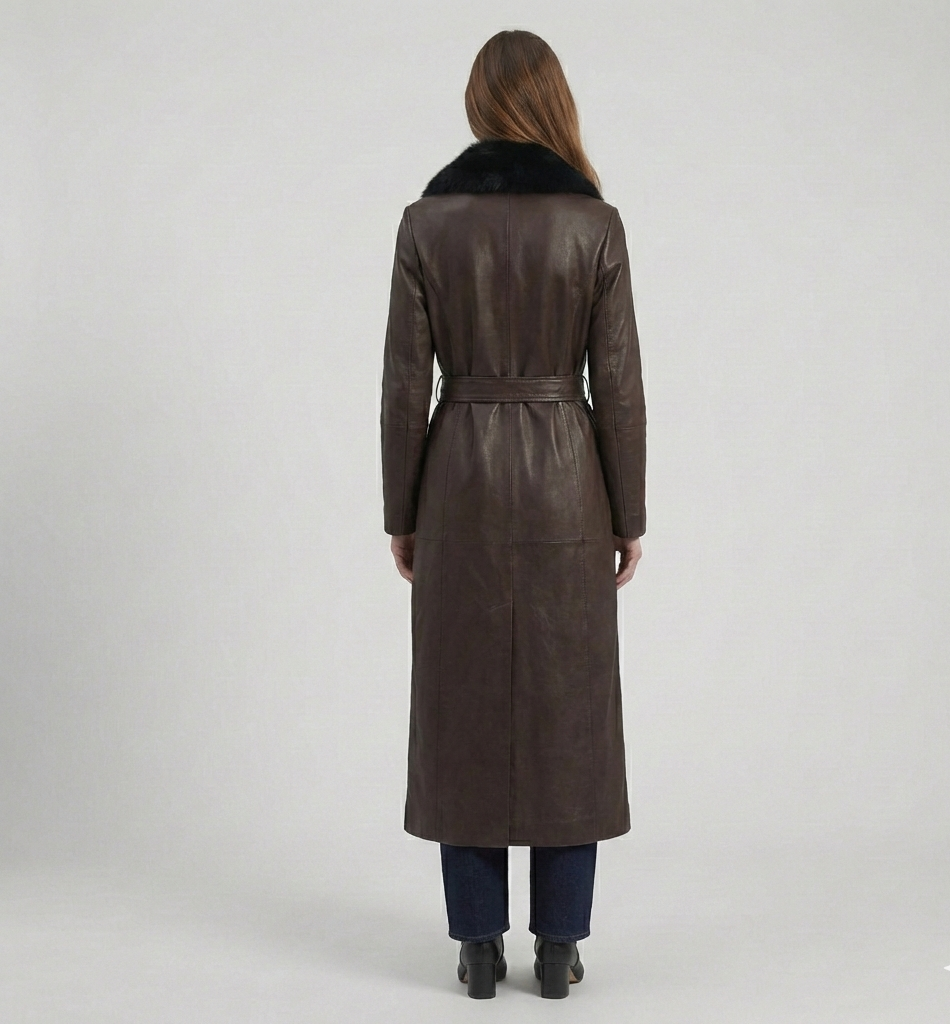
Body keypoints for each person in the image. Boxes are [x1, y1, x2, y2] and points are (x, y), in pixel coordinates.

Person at [380, 29, 646, 999]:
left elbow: (402, 387)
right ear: (553, 102)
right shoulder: (595, 225)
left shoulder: (425, 224)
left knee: (461, 704)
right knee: (568, 705)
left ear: (478, 104)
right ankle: (561, 944)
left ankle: (478, 945)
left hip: (457, 478)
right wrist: (628, 512)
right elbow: (618, 386)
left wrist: (400, 510)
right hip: (568, 478)